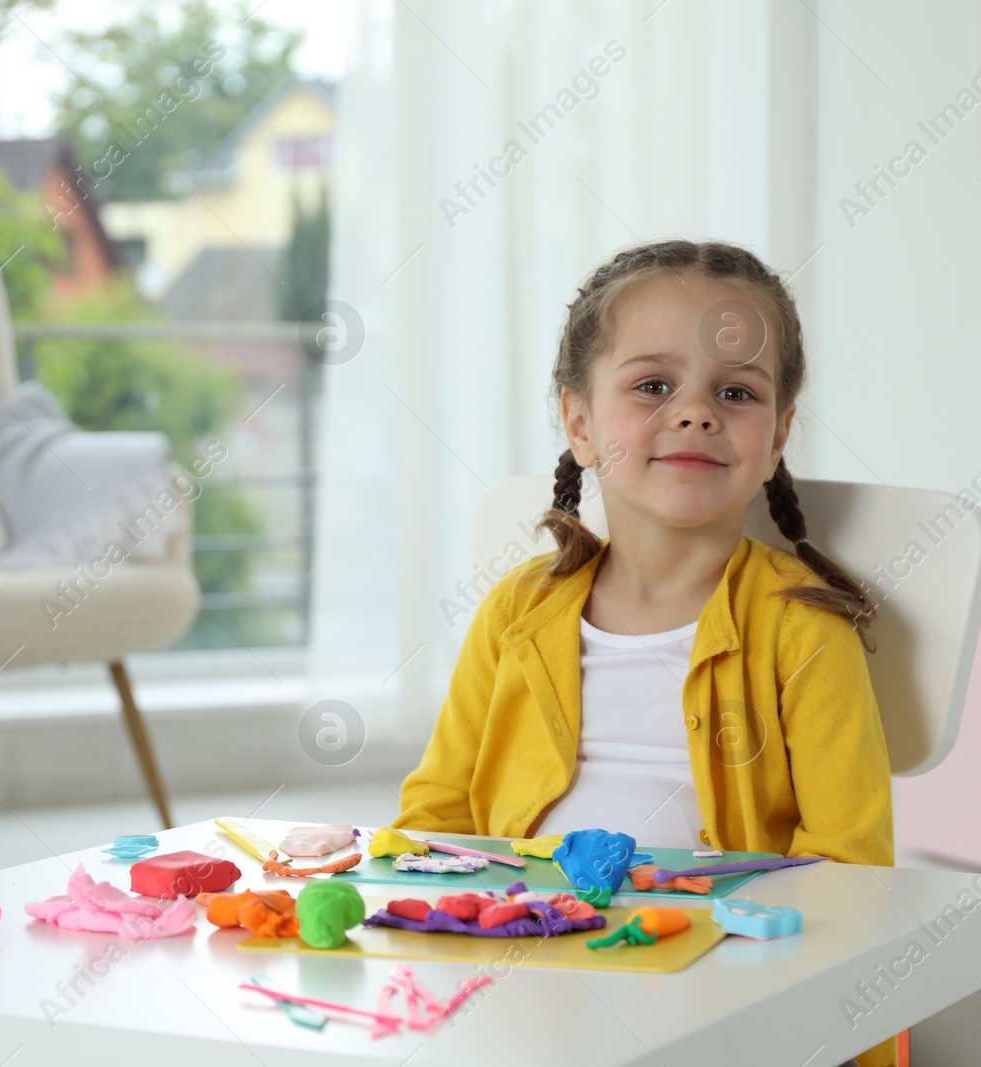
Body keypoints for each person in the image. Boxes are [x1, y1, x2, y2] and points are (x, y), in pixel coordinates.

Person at [394, 239, 896, 1067]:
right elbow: (437, 815)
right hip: (523, 976)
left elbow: (850, 870)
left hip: (726, 992)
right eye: (653, 385)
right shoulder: (518, 610)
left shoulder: (805, 630)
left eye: (735, 392)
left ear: (777, 438)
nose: (695, 411)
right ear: (581, 423)